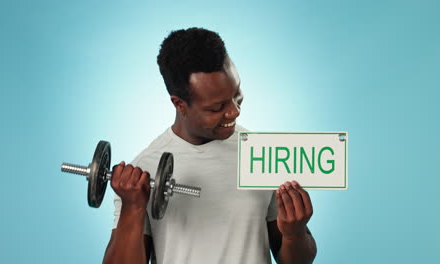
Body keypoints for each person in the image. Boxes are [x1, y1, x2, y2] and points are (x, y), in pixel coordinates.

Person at [103, 27, 317, 264]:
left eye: (237, 95)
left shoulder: (262, 155)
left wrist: (295, 233)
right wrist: (133, 208)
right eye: (217, 108)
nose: (234, 111)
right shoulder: (143, 170)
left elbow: (297, 261)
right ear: (180, 104)